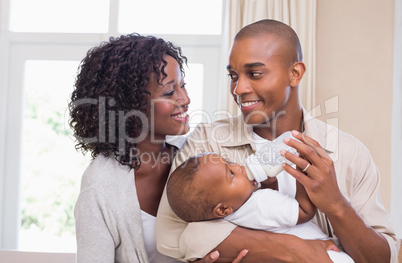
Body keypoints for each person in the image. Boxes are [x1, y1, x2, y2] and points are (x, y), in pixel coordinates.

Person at [156, 19, 400, 262]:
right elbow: (171, 237)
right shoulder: (208, 141)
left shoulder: (348, 152)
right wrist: (292, 250)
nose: (238, 88)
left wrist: (336, 204)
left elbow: (382, 258)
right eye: (233, 75)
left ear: (294, 74)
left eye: (255, 73)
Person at [69, 33, 226, 263]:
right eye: (170, 92)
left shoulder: (196, 156)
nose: (185, 99)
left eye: (183, 86)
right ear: (130, 105)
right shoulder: (99, 188)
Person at [166, 152, 354, 263]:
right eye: (231, 173)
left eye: (229, 162)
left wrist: (268, 185)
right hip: (329, 255)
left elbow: (269, 218)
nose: (239, 167)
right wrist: (301, 173)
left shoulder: (231, 216)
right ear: (223, 209)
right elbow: (304, 212)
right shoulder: (259, 204)